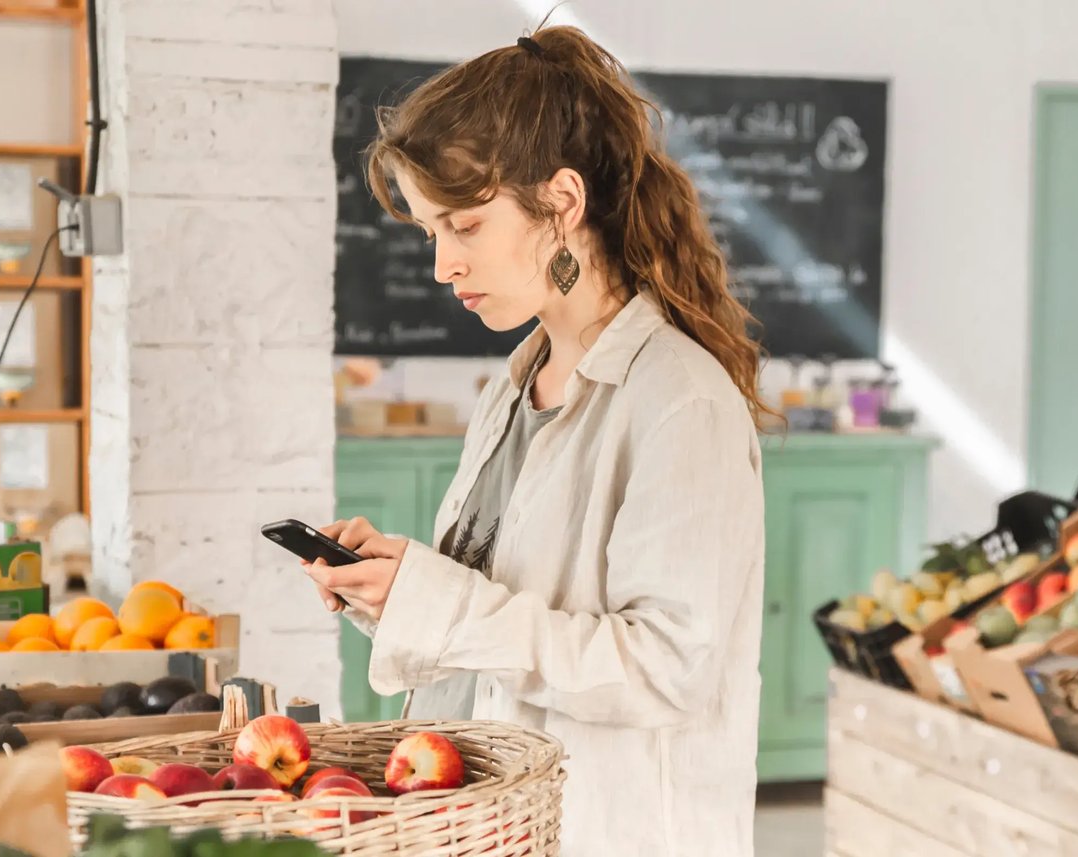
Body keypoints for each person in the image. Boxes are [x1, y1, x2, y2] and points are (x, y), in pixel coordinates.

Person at [303, 24, 769, 857]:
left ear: (561, 203)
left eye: (466, 226)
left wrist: (438, 605)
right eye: (430, 234)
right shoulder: (515, 386)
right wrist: (399, 589)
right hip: (492, 826)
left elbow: (665, 667)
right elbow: (505, 620)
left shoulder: (679, 401)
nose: (443, 264)